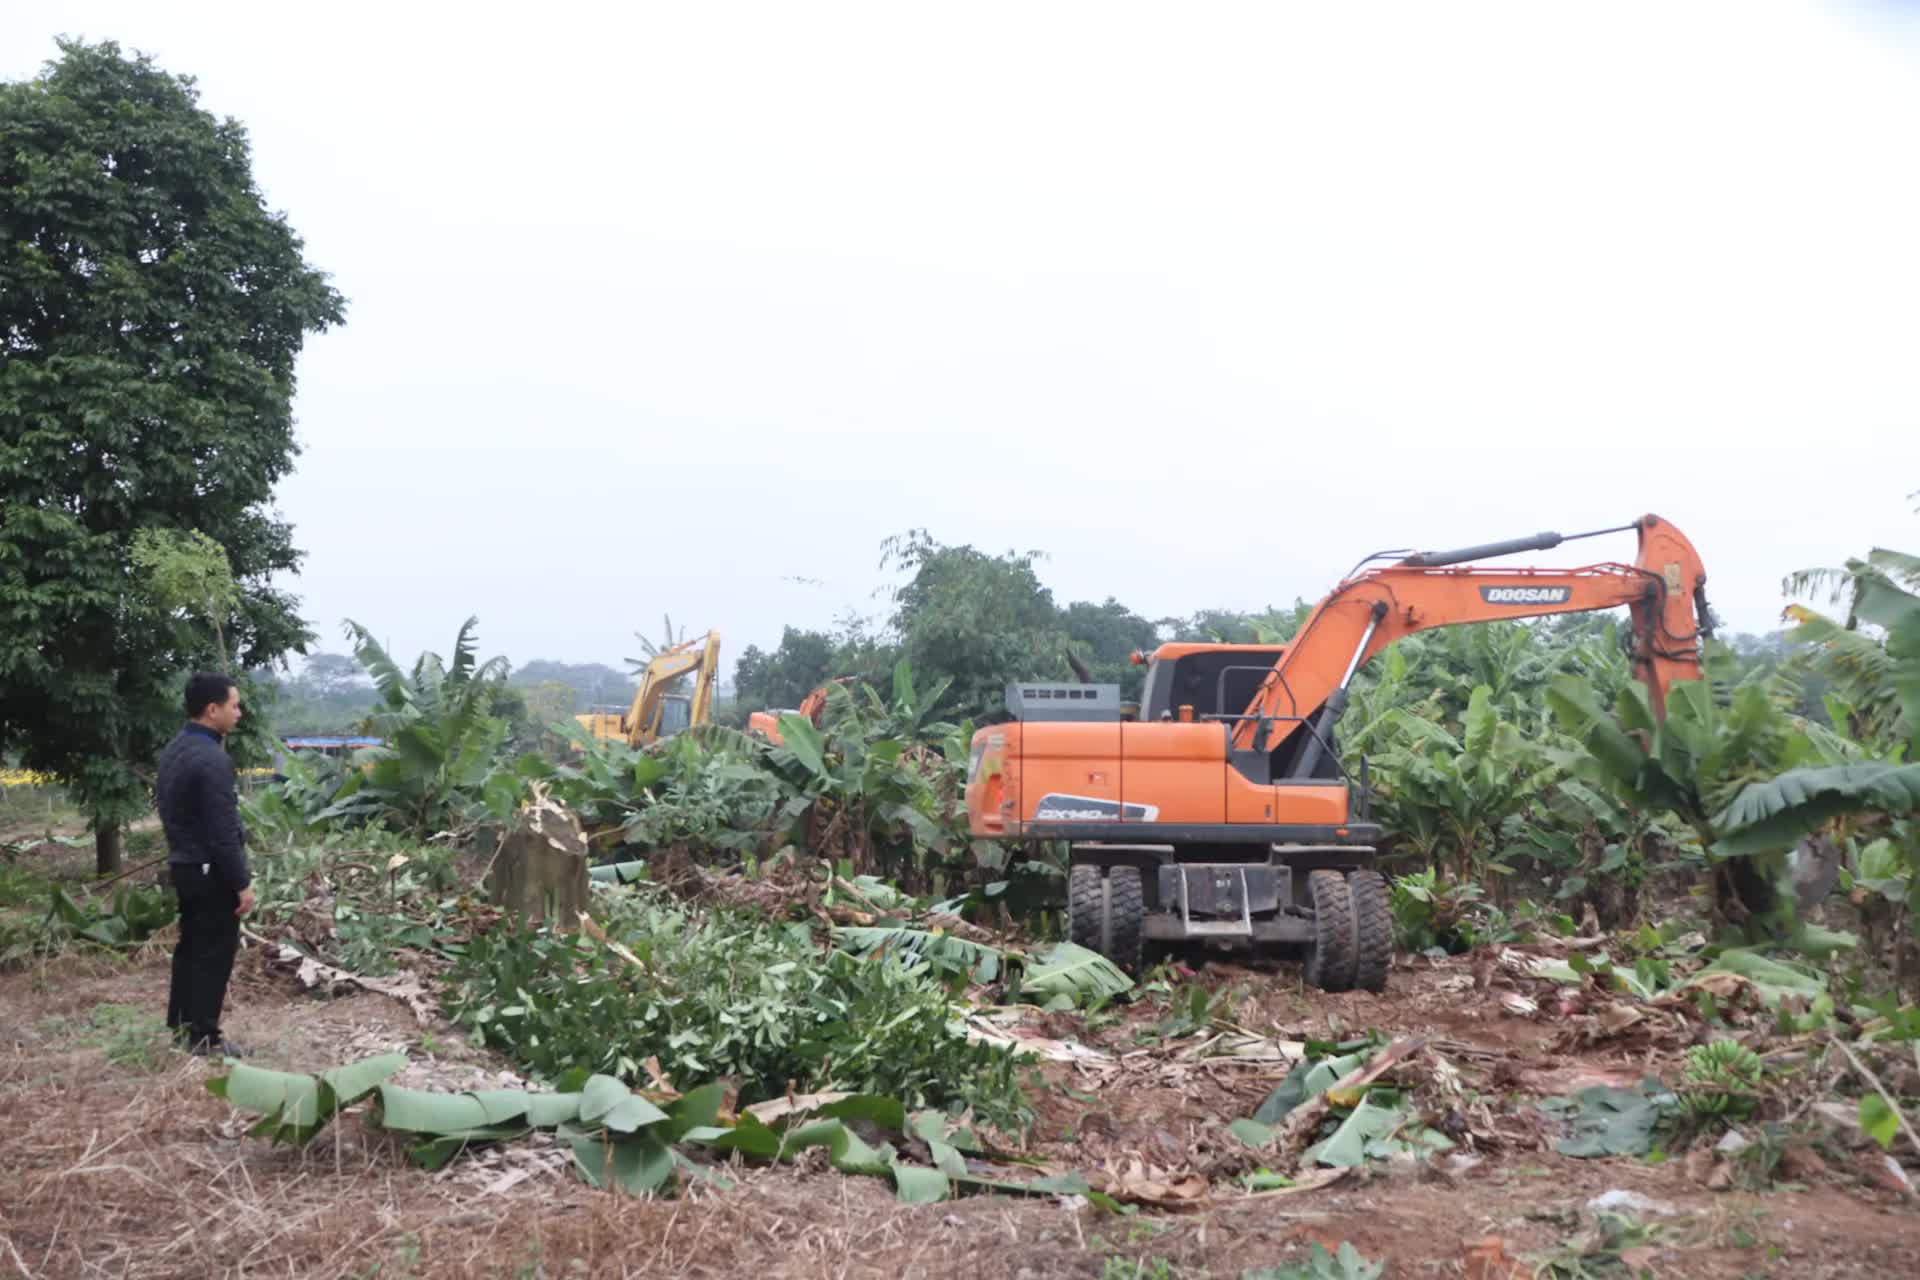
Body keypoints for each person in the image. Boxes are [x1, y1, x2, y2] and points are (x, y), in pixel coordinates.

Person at [156, 672, 255, 1056]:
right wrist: (242, 883)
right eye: (234, 705)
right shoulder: (212, 759)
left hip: (185, 864)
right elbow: (222, 833)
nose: (239, 713)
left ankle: (183, 1026)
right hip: (210, 868)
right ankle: (204, 1037)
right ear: (212, 710)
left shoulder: (175, 750)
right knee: (214, 951)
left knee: (191, 947)